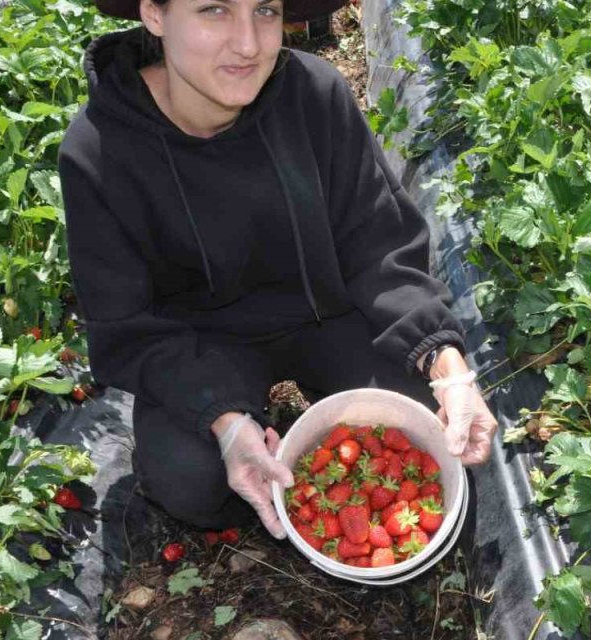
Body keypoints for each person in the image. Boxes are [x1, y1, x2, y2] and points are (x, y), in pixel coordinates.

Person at [58, 0, 497, 539]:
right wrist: (224, 420)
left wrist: (448, 366)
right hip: (203, 341)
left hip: (329, 315)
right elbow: (126, 325)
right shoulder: (99, 151)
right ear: (153, 13)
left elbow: (376, 241)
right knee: (188, 480)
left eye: (264, 10)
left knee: (421, 427)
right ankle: (266, 465)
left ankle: (319, 470)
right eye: (214, 10)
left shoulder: (312, 93)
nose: (248, 43)